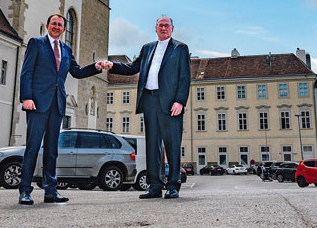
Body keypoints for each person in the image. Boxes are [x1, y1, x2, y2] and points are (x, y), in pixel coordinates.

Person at [18, 13, 102, 205]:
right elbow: (26, 71)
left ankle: (50, 190)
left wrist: (96, 67)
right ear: (48, 26)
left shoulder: (66, 49)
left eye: (60, 25)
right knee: (32, 147)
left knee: (52, 150)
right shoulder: (36, 43)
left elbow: (78, 72)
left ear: (64, 29)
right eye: (54, 24)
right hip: (37, 103)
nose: (57, 27)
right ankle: (25, 190)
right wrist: (26, 97)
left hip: (57, 104)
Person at [105, 15, 191, 199]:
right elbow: (132, 68)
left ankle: (173, 185)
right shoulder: (147, 48)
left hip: (170, 103)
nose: (163, 28)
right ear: (155, 28)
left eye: (167, 25)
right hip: (150, 100)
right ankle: (154, 186)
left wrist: (180, 101)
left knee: (172, 145)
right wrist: (112, 65)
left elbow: (185, 77)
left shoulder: (180, 48)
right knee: (153, 145)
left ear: (172, 29)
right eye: (160, 25)